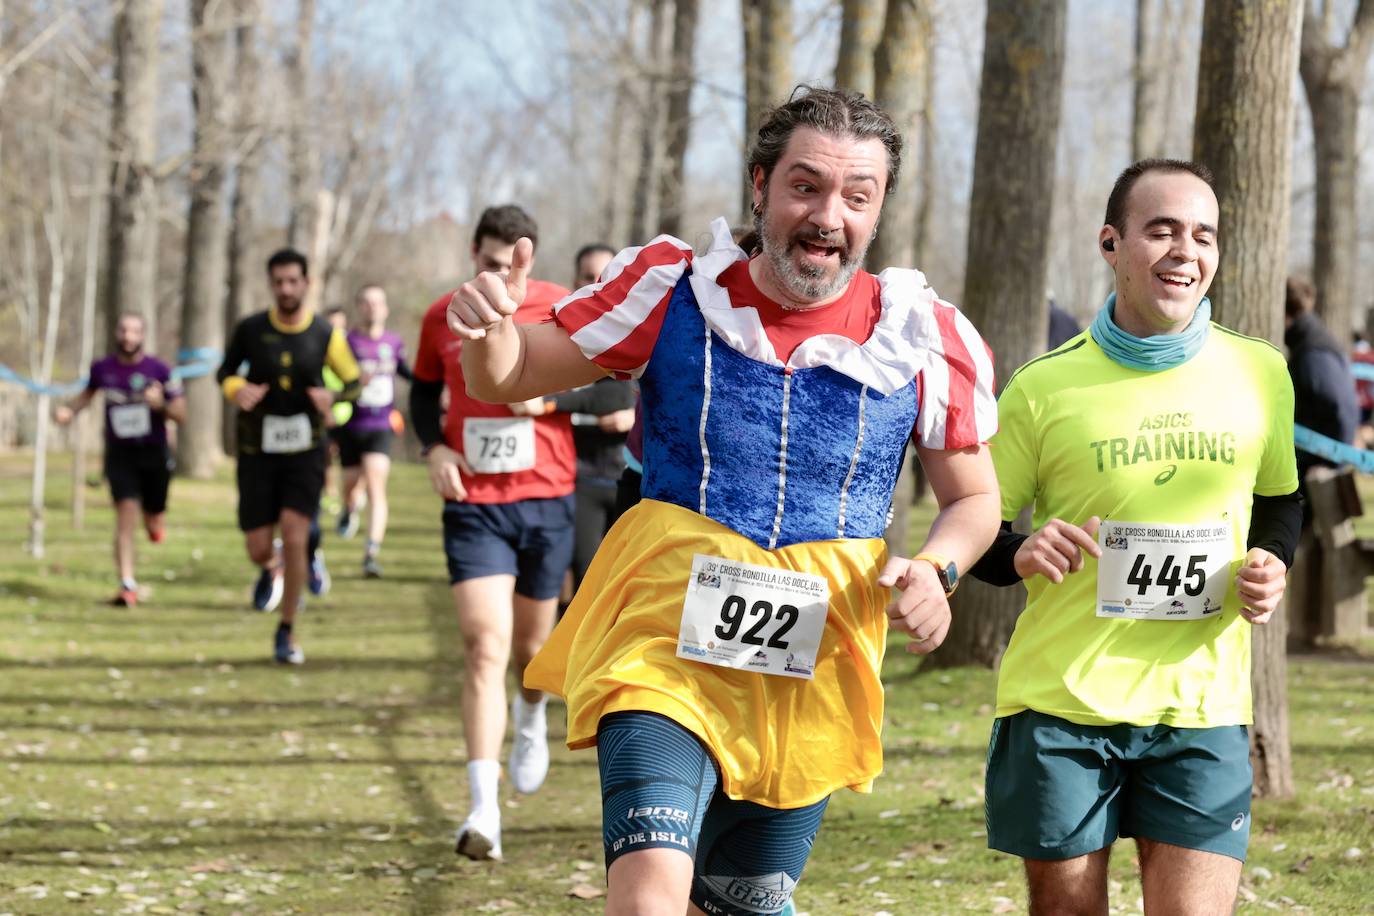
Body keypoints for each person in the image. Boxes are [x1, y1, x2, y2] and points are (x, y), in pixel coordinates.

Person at [448, 88, 999, 915]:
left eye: (857, 196)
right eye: (805, 187)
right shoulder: (675, 288)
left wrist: (938, 569)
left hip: (813, 660)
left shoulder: (922, 335)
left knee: (737, 904)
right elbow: (513, 371)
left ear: (878, 208)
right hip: (662, 640)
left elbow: (975, 497)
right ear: (760, 186)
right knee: (649, 895)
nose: (827, 216)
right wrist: (489, 329)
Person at [969, 159, 1302, 915]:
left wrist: (1271, 560)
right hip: (1062, 706)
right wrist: (1016, 552)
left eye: (1204, 235)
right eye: (1162, 230)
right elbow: (974, 524)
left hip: (1201, 708)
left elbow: (1281, 500)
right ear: (1111, 244)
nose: (1187, 250)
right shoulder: (1043, 388)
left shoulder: (1260, 374)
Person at [410, 204, 576, 862]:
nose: (495, 275)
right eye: (485, 263)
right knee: (484, 646)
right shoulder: (442, 313)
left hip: (545, 496)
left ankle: (531, 715)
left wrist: (550, 399)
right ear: (471, 254)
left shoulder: (564, 307)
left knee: (532, 655)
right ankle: (483, 810)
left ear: (527, 258)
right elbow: (424, 390)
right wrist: (433, 448)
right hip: (474, 499)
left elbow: (614, 389)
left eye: (507, 265)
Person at [216, 249, 361, 664]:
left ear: (306, 283)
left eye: (293, 281)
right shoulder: (250, 329)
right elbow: (223, 373)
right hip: (257, 451)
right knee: (259, 545)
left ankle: (287, 630)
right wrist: (236, 391)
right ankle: (270, 567)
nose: (285, 289)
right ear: (271, 284)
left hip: (305, 452)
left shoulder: (324, 335)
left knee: (296, 535)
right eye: (278, 282)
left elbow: (354, 383)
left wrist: (333, 396)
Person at [54, 313, 185, 606]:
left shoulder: (159, 370)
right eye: (123, 330)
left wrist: (160, 404)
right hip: (120, 454)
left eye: (134, 331)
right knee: (125, 514)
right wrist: (69, 412)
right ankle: (127, 584)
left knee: (153, 517)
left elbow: (181, 414)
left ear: (143, 335)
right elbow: (87, 395)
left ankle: (155, 523)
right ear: (116, 332)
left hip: (154, 452)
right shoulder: (102, 368)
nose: (128, 336)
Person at [553, 244, 638, 590]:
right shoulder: (557, 336)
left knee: (623, 589)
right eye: (588, 277)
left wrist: (634, 416)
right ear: (575, 281)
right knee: (584, 585)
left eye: (605, 276)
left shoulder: (639, 331)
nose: (596, 284)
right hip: (577, 478)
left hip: (629, 481)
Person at [336, 284, 414, 578]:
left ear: (385, 308)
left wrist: (431, 386)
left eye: (377, 303)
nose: (372, 308)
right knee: (351, 485)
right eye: (366, 303)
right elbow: (333, 378)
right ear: (359, 307)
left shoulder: (393, 343)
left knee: (375, 483)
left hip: (380, 425)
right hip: (350, 425)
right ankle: (348, 508)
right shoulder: (346, 342)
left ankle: (371, 552)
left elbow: (406, 372)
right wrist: (354, 383)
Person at [1284, 276, 1359, 482]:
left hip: (1316, 468)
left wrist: (1333, 464)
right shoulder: (1308, 341)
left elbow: (1343, 407)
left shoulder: (1313, 352)